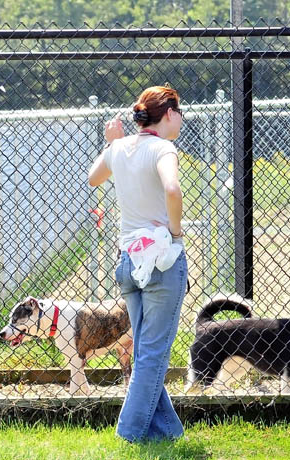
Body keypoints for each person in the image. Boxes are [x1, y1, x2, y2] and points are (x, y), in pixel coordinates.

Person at [88, 86, 188, 441]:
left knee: (147, 350)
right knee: (152, 354)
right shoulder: (164, 148)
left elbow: (93, 178)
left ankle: (169, 434)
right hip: (160, 260)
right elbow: (172, 190)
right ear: (169, 113)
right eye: (180, 111)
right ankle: (128, 435)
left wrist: (111, 143)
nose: (181, 118)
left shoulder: (120, 148)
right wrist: (175, 234)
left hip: (129, 260)